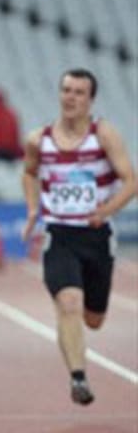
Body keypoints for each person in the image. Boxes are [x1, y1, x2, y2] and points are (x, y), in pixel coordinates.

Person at [21, 68, 135, 406]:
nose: (70, 98)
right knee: (68, 302)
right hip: (59, 235)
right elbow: (29, 173)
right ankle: (78, 378)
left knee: (93, 319)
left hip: (97, 237)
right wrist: (32, 208)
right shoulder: (38, 139)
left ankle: (77, 325)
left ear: (91, 100)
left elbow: (131, 181)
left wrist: (106, 210)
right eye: (66, 90)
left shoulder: (104, 136)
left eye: (79, 92)